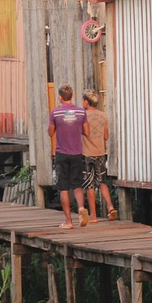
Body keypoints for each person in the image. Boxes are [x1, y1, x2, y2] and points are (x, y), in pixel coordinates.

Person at [48, 84, 90, 229]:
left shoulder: (55, 113)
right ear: (72, 96)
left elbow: (51, 132)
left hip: (62, 153)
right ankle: (80, 208)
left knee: (64, 187)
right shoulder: (80, 112)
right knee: (77, 185)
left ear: (60, 97)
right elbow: (87, 132)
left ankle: (68, 222)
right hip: (77, 153)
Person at [80, 90, 117, 223]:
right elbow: (106, 136)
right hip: (101, 153)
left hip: (87, 154)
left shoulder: (82, 116)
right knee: (102, 182)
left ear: (86, 101)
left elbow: (82, 132)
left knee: (89, 184)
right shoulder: (104, 116)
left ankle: (94, 217)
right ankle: (110, 206)